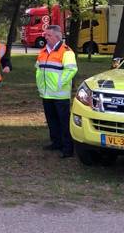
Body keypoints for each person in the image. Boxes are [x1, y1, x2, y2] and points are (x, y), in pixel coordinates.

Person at [36, 25, 77, 157]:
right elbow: (38, 69)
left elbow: (71, 70)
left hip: (60, 94)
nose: (45, 37)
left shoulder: (67, 51)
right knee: (51, 120)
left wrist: (59, 84)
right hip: (46, 93)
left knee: (63, 121)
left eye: (48, 35)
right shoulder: (43, 51)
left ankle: (67, 148)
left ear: (57, 36)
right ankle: (56, 142)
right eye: (45, 35)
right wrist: (40, 85)